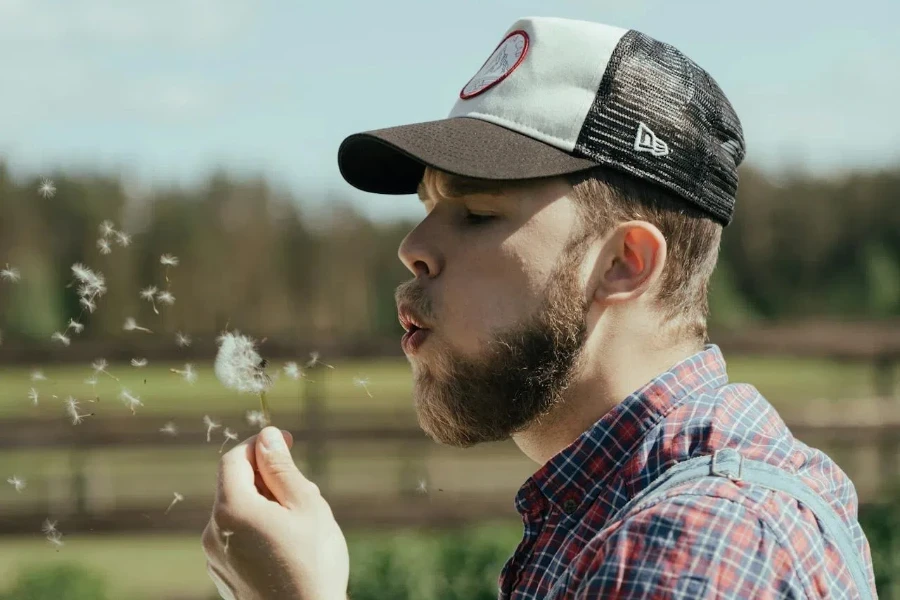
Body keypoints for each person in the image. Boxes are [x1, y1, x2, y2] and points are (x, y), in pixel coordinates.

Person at [201, 16, 879, 600]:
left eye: (475, 212)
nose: (414, 247)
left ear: (623, 264)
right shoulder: (625, 507)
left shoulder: (700, 538)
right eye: (430, 207)